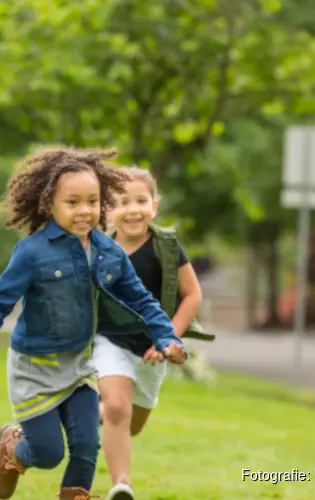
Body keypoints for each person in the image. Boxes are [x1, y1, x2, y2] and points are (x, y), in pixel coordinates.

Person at [0, 147, 187, 500]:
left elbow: (142, 299)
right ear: (50, 203)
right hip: (34, 369)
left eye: (93, 201)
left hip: (80, 365)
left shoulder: (108, 251)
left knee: (86, 443)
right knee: (49, 452)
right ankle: (13, 448)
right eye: (73, 202)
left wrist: (166, 336)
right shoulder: (32, 252)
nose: (85, 211)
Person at [94, 166, 212, 500]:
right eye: (122, 202)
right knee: (118, 407)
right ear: (107, 210)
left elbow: (193, 295)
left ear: (154, 206)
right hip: (108, 340)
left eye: (141, 200)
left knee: (132, 424)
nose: (132, 209)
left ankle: (89, 416)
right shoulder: (98, 246)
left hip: (152, 348)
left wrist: (168, 338)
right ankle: (122, 486)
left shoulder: (167, 247)